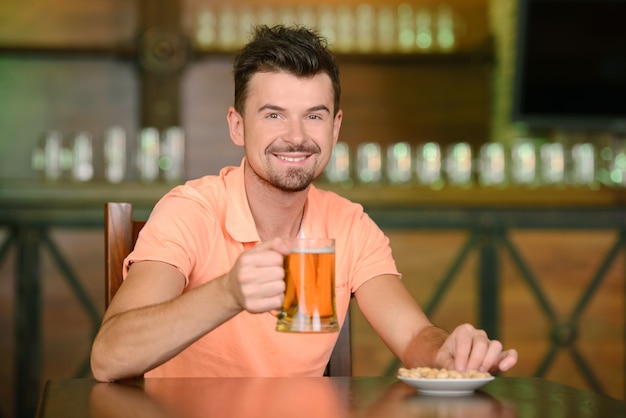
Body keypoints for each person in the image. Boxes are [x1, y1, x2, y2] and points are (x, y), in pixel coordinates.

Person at [90, 24, 518, 382]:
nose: (296, 136)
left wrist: (450, 352)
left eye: (313, 116)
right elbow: (108, 358)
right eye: (273, 114)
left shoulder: (347, 224)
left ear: (334, 128)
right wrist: (226, 293)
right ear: (237, 126)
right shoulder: (191, 211)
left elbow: (413, 337)